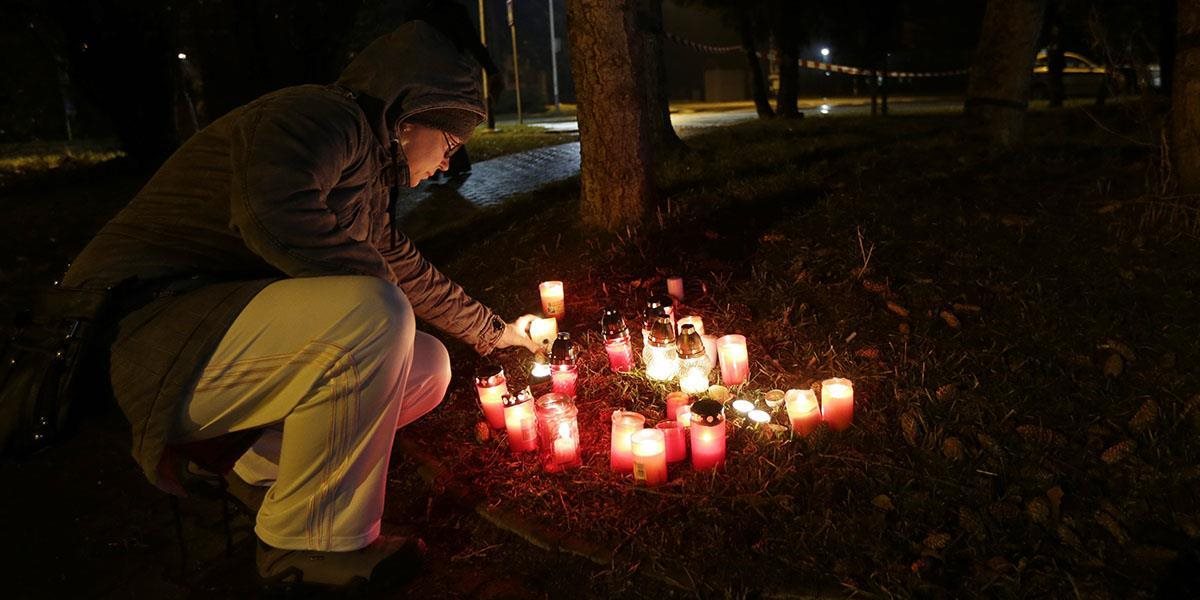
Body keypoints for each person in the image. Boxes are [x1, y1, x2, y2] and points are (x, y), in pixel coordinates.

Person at [60, 14, 541, 591]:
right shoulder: (319, 116)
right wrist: (374, 290)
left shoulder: (367, 178)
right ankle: (306, 542)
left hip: (212, 332)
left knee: (427, 366)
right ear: (413, 115)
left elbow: (408, 271)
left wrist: (497, 331)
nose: (446, 164)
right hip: (142, 330)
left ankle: (262, 467)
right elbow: (271, 210)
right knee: (374, 314)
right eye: (451, 144)